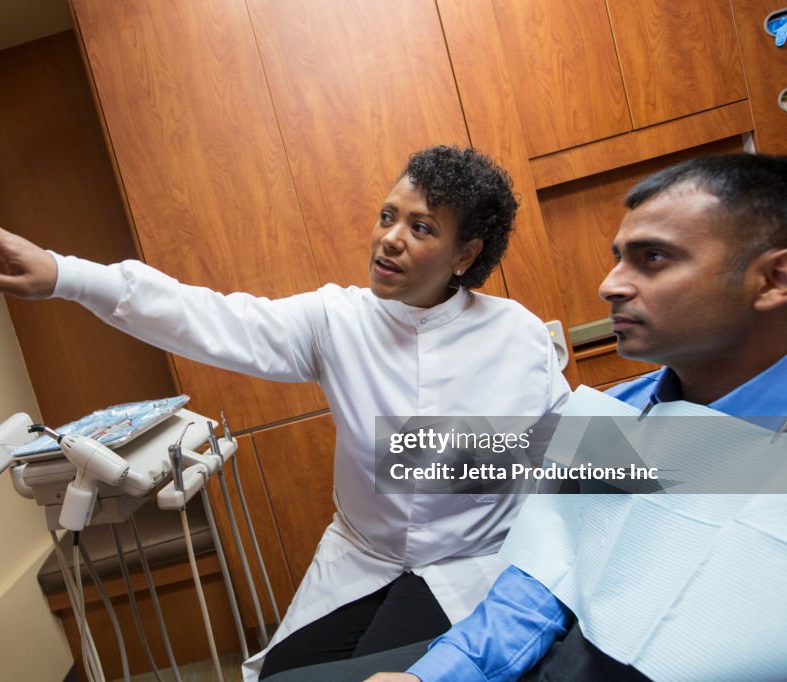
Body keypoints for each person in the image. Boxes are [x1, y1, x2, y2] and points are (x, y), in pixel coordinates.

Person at [0, 146, 570, 679]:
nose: (390, 239)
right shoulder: (336, 319)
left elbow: (585, 460)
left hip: (468, 565)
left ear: (466, 255)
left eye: (421, 227)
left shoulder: (516, 336)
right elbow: (203, 314)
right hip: (367, 558)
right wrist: (64, 274)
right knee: (282, 675)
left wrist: (445, 458)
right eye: (387, 215)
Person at [263, 152, 787, 681]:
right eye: (618, 257)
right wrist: (433, 676)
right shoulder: (619, 414)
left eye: (653, 258)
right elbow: (539, 585)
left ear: (773, 279)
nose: (610, 285)